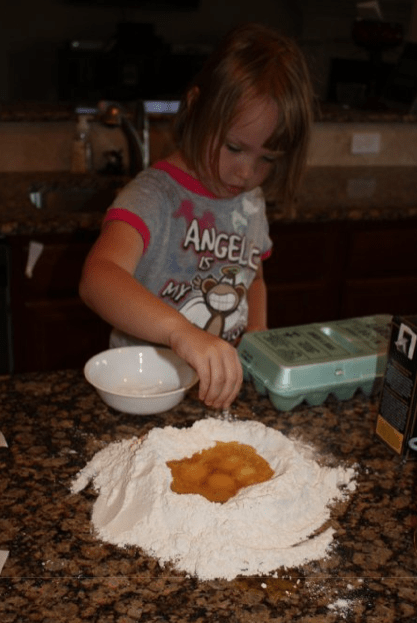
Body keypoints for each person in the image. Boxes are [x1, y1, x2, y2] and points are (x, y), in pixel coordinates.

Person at [79, 22, 314, 410]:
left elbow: (253, 276)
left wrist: (257, 330)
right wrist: (180, 332)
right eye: (234, 147)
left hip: (219, 387)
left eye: (267, 159)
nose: (246, 172)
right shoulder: (154, 196)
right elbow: (98, 277)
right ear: (196, 107)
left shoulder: (250, 201)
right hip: (151, 391)